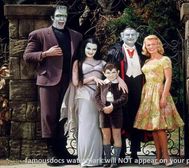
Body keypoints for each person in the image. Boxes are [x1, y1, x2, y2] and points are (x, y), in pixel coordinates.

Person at [23, 5, 83, 166]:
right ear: (52, 17)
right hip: (48, 81)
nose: (61, 18)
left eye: (64, 15)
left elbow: (78, 59)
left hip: (69, 81)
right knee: (49, 116)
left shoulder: (76, 36)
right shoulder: (39, 34)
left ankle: (62, 151)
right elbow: (27, 56)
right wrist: (45, 54)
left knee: (64, 115)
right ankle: (52, 153)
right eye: (58, 16)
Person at [66, 37, 127, 167]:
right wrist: (93, 77)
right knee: (87, 126)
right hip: (84, 96)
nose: (91, 51)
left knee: (99, 127)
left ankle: (98, 158)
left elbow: (112, 73)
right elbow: (76, 82)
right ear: (84, 48)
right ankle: (86, 158)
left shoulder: (102, 62)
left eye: (94, 49)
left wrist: (120, 80)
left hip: (101, 96)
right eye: (88, 48)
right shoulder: (78, 62)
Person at [134, 35, 184, 167]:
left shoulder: (164, 60)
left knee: (160, 127)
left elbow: (168, 79)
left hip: (159, 92)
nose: (151, 47)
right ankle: (158, 156)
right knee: (154, 128)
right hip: (148, 95)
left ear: (158, 45)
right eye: (148, 45)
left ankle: (166, 157)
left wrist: (163, 97)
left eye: (153, 44)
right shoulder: (146, 62)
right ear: (145, 47)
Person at [106, 27, 147, 162]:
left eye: (133, 35)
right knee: (121, 118)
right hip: (121, 87)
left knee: (137, 118)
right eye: (127, 35)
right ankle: (121, 153)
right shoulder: (115, 51)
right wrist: (118, 79)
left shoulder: (143, 51)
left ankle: (135, 153)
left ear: (137, 36)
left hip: (138, 88)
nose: (130, 37)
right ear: (122, 36)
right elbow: (109, 69)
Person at [95, 63, 128, 168]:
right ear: (104, 73)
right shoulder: (101, 84)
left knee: (117, 135)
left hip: (117, 113)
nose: (111, 74)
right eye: (108, 72)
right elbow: (96, 98)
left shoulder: (121, 84)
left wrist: (112, 106)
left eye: (113, 72)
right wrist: (102, 108)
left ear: (117, 72)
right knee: (106, 136)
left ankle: (115, 160)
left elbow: (124, 98)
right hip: (103, 113)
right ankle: (107, 159)